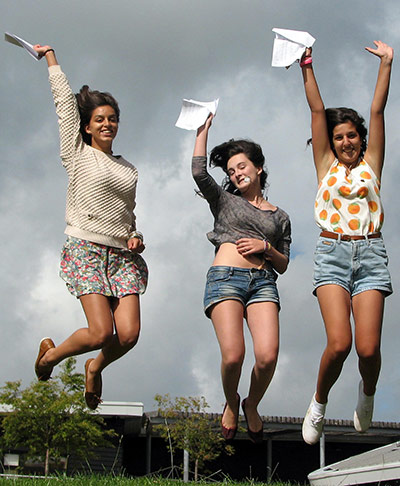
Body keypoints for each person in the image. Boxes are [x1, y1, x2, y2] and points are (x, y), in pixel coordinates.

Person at [32, 44, 148, 410]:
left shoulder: (128, 168)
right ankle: (49, 357)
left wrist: (135, 236)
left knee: (127, 335)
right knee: (101, 331)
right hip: (86, 248)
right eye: (99, 119)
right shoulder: (77, 152)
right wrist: (51, 59)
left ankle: (95, 367)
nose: (107, 124)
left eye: (112, 118)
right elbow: (64, 104)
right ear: (87, 126)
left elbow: (127, 214)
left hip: (121, 256)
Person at [299, 41, 393, 444]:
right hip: (332, 253)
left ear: (361, 138)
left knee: (368, 351)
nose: (346, 142)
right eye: (339, 138)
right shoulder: (325, 165)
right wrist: (307, 65)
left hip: (371, 253)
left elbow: (377, 110)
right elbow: (317, 112)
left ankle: (366, 393)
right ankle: (319, 402)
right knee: (340, 344)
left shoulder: (372, 164)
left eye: (352, 136)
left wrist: (387, 63)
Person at [192, 114, 291, 443]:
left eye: (242, 167)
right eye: (231, 171)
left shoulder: (280, 216)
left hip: (263, 283)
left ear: (258, 168)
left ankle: (252, 403)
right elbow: (198, 172)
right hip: (225, 279)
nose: (236, 174)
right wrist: (202, 130)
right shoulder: (224, 200)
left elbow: (284, 263)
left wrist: (266, 247)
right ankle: (231, 401)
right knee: (233, 355)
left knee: (267, 356)